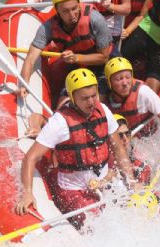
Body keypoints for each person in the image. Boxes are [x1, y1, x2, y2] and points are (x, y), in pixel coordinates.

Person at [15, 68, 141, 229]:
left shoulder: (104, 111)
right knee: (98, 228)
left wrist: (131, 181)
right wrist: (27, 192)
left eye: (94, 96)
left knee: (137, 211)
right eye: (85, 98)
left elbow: (118, 149)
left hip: (103, 184)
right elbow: (30, 158)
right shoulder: (60, 122)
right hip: (72, 190)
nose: (91, 102)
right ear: (73, 98)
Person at [19, 0, 112, 107]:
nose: (72, 15)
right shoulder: (47, 27)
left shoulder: (95, 19)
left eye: (74, 8)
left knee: (94, 105)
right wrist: (24, 83)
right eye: (65, 11)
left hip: (103, 67)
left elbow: (104, 57)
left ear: (79, 5)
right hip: (78, 68)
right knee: (62, 107)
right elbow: (30, 58)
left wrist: (77, 58)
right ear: (57, 11)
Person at [104, 57, 160, 151]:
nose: (125, 83)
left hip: (151, 139)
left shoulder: (143, 92)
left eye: (128, 77)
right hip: (129, 143)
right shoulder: (106, 103)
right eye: (119, 79)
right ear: (109, 82)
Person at [112, 113, 152, 185]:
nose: (125, 139)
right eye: (120, 135)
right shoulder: (104, 163)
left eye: (127, 134)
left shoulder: (138, 163)